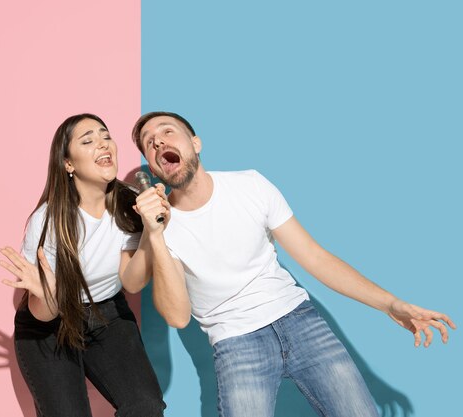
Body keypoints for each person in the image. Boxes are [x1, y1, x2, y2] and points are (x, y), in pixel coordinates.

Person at [131, 111, 456, 417]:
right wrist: (155, 235)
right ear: (153, 167)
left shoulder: (251, 185)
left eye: (167, 132)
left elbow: (314, 257)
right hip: (235, 341)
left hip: (299, 320)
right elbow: (176, 315)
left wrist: (391, 304)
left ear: (196, 143)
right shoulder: (162, 224)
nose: (158, 142)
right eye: (149, 142)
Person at [0, 114, 167, 417]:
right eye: (87, 141)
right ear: (68, 164)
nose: (103, 144)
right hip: (48, 325)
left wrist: (150, 234)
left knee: (146, 406)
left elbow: (131, 282)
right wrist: (48, 296)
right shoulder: (49, 220)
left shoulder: (131, 202)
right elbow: (42, 312)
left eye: (105, 136)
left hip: (108, 315)